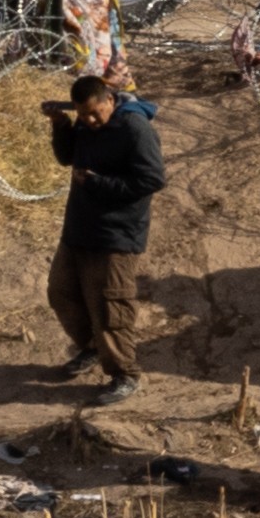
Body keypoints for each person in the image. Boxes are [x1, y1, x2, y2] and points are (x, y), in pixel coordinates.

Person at [43, 63, 167, 398]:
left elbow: (152, 179)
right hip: (79, 228)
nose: (91, 121)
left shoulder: (134, 128)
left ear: (110, 100)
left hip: (116, 234)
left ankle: (125, 374)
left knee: (111, 307)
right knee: (62, 292)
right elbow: (67, 158)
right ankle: (92, 347)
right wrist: (61, 126)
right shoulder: (84, 124)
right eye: (84, 116)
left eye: (96, 114)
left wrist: (100, 184)